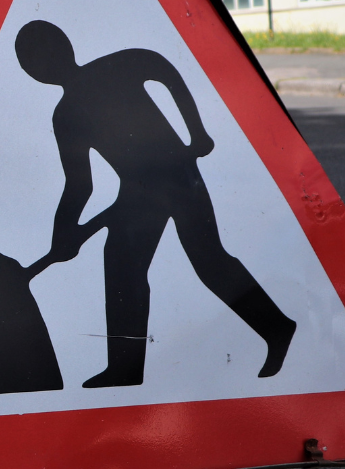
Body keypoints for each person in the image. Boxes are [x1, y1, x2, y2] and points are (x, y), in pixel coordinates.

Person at [17, 20, 296, 388]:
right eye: (31, 64)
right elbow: (80, 184)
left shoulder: (115, 67)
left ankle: (277, 327)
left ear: (64, 48)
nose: (40, 68)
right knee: (121, 266)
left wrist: (196, 131)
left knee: (208, 260)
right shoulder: (65, 114)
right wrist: (63, 231)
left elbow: (162, 68)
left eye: (39, 58)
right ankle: (125, 368)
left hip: (177, 173)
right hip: (136, 190)